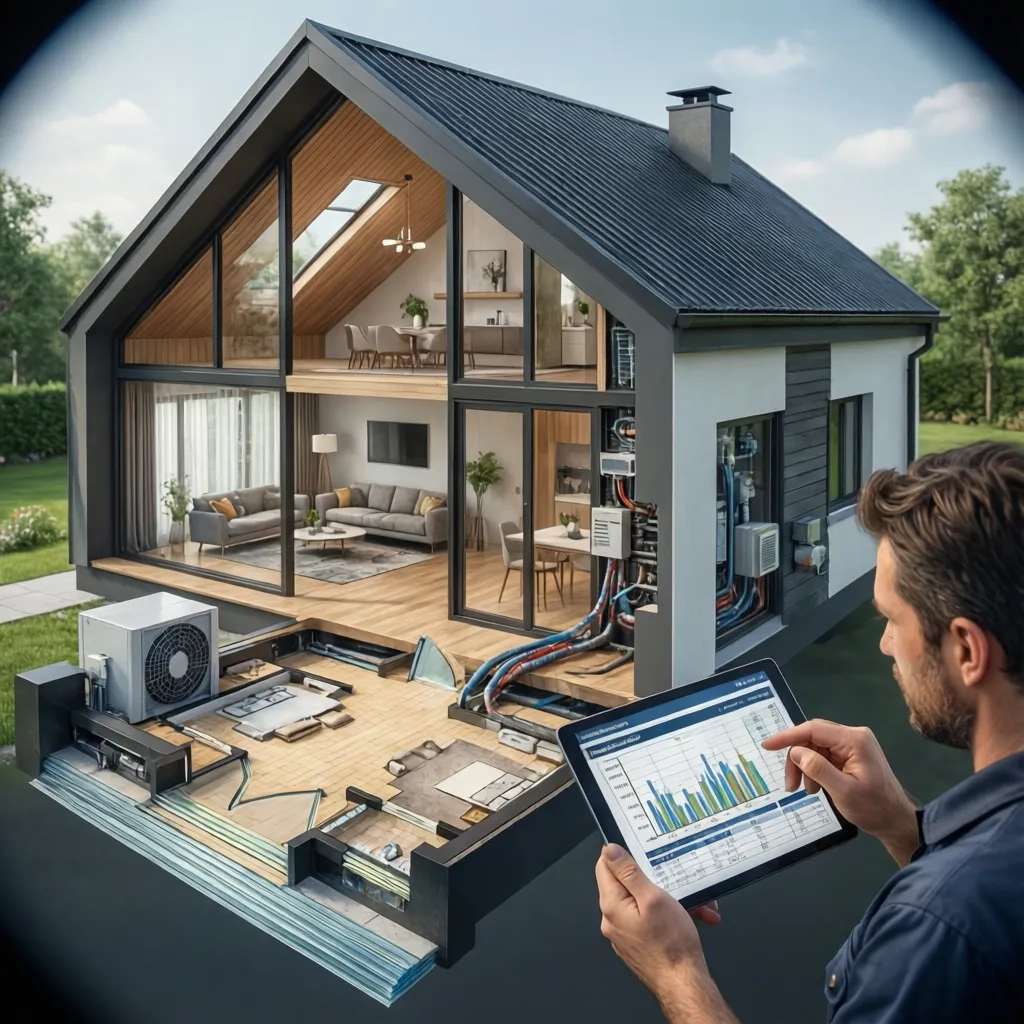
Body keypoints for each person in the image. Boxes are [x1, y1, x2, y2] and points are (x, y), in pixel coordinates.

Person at [595, 441, 1024, 1022]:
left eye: (892, 620)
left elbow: (966, 918)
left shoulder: (936, 926)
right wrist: (904, 828)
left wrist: (674, 968)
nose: (885, 645)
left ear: (968, 650)